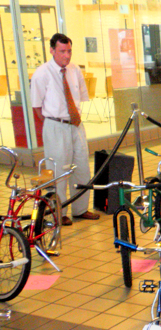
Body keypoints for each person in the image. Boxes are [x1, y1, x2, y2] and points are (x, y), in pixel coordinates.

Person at [31, 33, 99, 226]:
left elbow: (80, 98)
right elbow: (37, 107)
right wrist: (55, 123)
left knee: (81, 167)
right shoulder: (42, 73)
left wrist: (72, 121)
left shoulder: (74, 69)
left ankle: (80, 209)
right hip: (55, 125)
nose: (66, 56)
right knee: (58, 170)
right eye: (62, 51)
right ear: (52, 50)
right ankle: (58, 213)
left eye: (69, 51)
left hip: (76, 125)